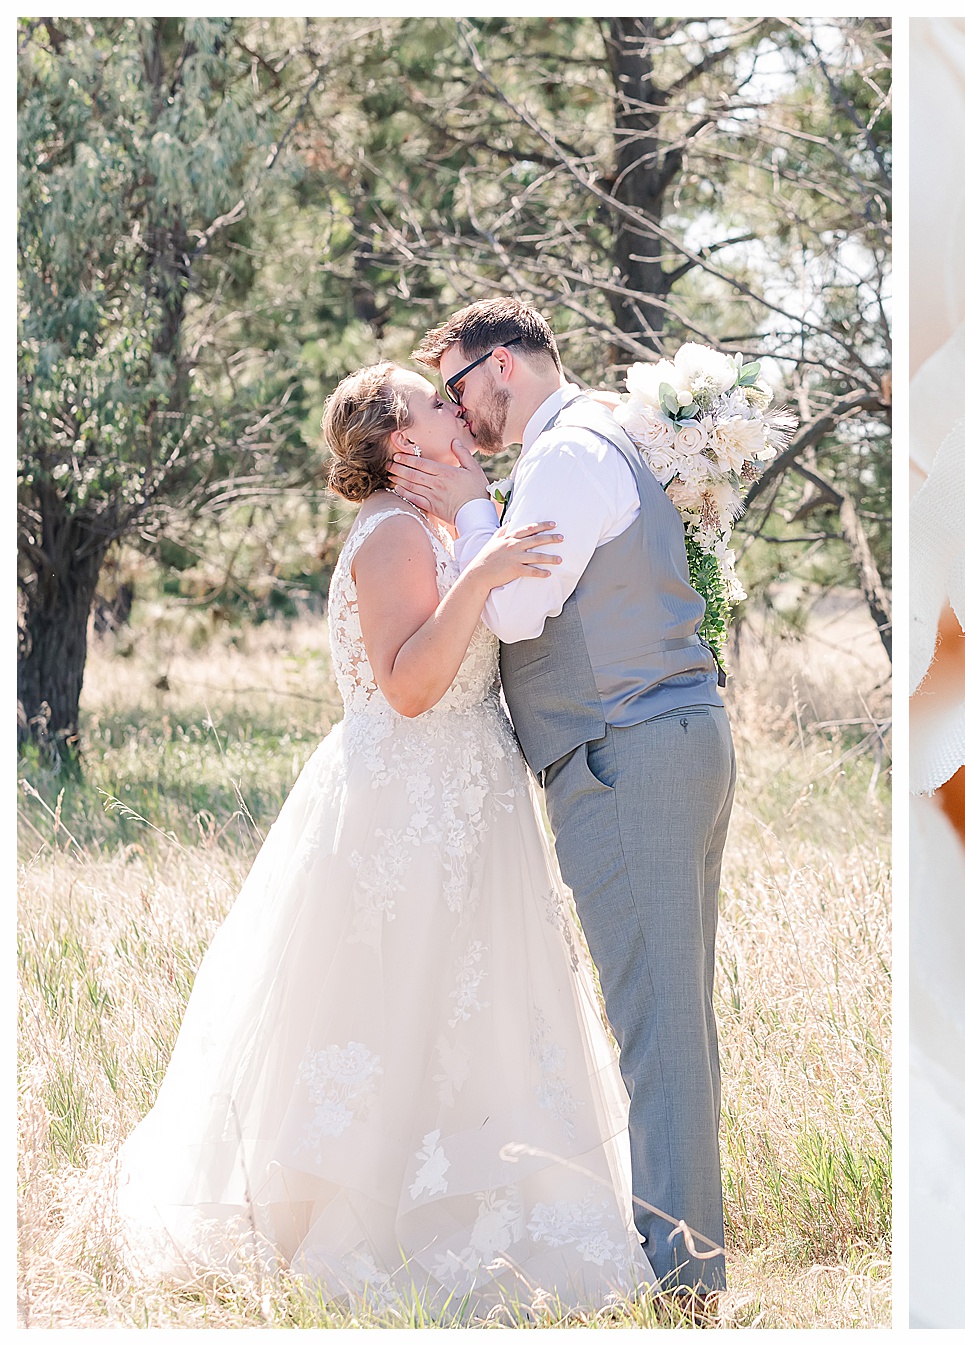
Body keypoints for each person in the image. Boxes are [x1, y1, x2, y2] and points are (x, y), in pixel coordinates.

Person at [114, 361, 656, 1318]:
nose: (455, 408)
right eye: (435, 401)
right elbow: (408, 689)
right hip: (406, 801)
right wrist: (484, 572)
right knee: (395, 1004)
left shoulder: (442, 523)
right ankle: (368, 1228)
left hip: (464, 797)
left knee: (465, 1009)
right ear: (404, 443)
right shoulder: (399, 534)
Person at [390, 299, 735, 1307]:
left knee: (657, 1023)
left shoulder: (565, 455)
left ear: (502, 366)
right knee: (671, 1013)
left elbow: (515, 605)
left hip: (627, 751)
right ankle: (687, 1257)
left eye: (457, 387)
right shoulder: (599, 440)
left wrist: (465, 504)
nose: (461, 416)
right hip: (658, 740)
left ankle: (683, 1279)